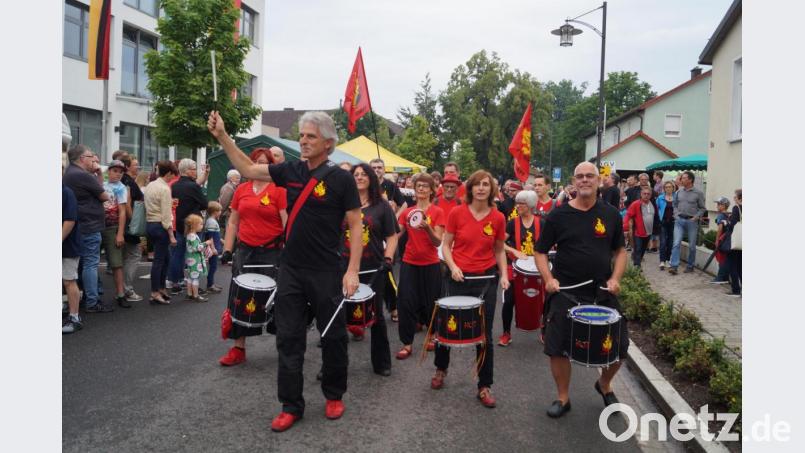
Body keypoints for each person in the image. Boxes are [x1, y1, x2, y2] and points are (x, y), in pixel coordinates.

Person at [208, 110, 363, 432]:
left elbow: (355, 225)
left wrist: (352, 271)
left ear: (328, 143)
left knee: (333, 336)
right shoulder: (291, 170)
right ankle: (291, 405)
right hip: (290, 269)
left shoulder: (341, 179)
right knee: (289, 338)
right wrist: (222, 135)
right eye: (302, 135)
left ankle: (334, 394)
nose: (303, 141)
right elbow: (248, 168)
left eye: (311, 136)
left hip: (327, 271)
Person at [534, 161, 629, 418]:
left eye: (589, 176)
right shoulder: (558, 215)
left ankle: (604, 384)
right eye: (580, 176)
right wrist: (548, 279)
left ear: (598, 181)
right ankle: (563, 397)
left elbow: (620, 251)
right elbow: (540, 251)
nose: (585, 180)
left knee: (621, 346)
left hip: (601, 291)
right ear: (574, 182)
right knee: (557, 347)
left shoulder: (611, 214)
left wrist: (615, 278)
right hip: (565, 291)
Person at [436, 170, 509, 408]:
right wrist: (453, 266)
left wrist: (504, 275)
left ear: (491, 189)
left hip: (486, 280)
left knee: (484, 334)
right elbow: (446, 245)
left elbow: (499, 250)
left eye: (485, 184)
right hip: (457, 278)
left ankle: (484, 385)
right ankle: (441, 369)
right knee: (448, 327)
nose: (481, 188)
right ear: (470, 189)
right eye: (477, 184)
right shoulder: (457, 213)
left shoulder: (498, 217)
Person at [218, 148, 288, 367]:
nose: (259, 166)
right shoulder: (242, 190)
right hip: (245, 252)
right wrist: (227, 249)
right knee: (240, 298)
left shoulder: (279, 190)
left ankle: (286, 349)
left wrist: (290, 250)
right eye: (256, 162)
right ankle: (238, 348)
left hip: (273, 252)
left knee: (277, 300)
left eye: (264, 162)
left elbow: (287, 223)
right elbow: (233, 222)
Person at [341, 163, 398, 376]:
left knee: (377, 317)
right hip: (344, 268)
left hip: (374, 269)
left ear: (371, 178)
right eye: (355, 174)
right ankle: (333, 364)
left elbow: (392, 236)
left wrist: (388, 258)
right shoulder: (341, 204)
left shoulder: (381, 206)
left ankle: (382, 363)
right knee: (338, 317)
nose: (359, 177)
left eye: (364, 174)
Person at [395, 172, 445, 360]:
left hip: (431, 264)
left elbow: (438, 241)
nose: (421, 188)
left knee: (431, 302)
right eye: (418, 186)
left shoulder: (437, 212)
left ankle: (432, 335)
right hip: (409, 262)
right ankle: (406, 343)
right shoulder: (407, 212)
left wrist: (427, 228)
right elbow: (396, 234)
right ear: (414, 190)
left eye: (425, 186)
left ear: (432, 190)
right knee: (406, 302)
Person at [63, 145, 113, 313]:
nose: (94, 160)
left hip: (78, 225)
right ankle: (92, 301)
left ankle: (83, 297)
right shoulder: (83, 175)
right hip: (90, 225)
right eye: (91, 156)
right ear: (82, 158)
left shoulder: (69, 173)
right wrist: (99, 175)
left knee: (81, 264)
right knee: (90, 263)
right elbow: (104, 196)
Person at [499, 190, 539, 346]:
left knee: (544, 299)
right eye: (517, 203)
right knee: (509, 300)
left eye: (521, 203)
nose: (518, 206)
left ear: (530, 205)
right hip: (514, 266)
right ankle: (506, 333)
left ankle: (544, 331)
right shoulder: (512, 223)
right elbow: (499, 243)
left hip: (536, 268)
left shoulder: (541, 223)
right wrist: (514, 251)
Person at [167, 159, 209, 294]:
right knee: (194, 255)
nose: (196, 171)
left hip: (180, 222)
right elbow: (204, 204)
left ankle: (175, 282)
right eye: (194, 169)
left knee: (177, 254)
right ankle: (194, 285)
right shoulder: (193, 186)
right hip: (194, 223)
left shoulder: (174, 186)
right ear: (187, 170)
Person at [144, 160, 178, 305]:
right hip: (161, 226)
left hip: (150, 224)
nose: (174, 177)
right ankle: (155, 292)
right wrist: (171, 235)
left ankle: (161, 288)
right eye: (173, 174)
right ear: (169, 173)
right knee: (159, 261)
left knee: (165, 259)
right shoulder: (165, 189)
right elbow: (166, 216)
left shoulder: (150, 185)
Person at [101, 160, 130, 308]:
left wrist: (120, 233)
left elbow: (122, 211)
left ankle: (120, 294)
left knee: (116, 263)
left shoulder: (121, 188)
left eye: (121, 172)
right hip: (97, 226)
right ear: (109, 171)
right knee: (90, 262)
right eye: (115, 171)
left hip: (112, 227)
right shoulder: (101, 184)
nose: (118, 174)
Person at [117, 153, 145, 303]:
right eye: (135, 165)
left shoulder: (121, 180)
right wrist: (133, 221)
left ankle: (122, 290)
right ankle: (127, 289)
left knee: (124, 256)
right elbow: (127, 203)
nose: (138, 167)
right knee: (134, 255)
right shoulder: (128, 182)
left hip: (121, 224)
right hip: (128, 224)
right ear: (127, 166)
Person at [668, 171, 706, 275]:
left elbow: (702, 208)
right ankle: (674, 266)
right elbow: (674, 205)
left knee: (692, 246)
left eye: (684, 178)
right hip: (679, 220)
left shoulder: (698, 193)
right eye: (682, 178)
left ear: (690, 180)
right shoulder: (678, 192)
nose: (682, 180)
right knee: (676, 243)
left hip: (691, 221)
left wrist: (696, 217)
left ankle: (690, 266)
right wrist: (676, 215)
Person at [63, 170, 83, 333]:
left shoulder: (66, 193)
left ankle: (75, 317)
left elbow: (70, 220)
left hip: (68, 245)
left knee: (69, 280)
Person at [623, 186, 659, 269]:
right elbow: (628, 215)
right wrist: (626, 228)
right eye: (644, 193)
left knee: (643, 249)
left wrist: (657, 228)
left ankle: (637, 260)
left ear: (650, 195)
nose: (646, 195)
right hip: (638, 231)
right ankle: (637, 266)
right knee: (638, 248)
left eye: (648, 194)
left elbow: (655, 217)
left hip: (648, 232)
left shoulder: (652, 204)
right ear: (641, 194)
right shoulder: (636, 204)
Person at [183, 214, 212, 302]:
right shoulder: (193, 236)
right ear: (194, 225)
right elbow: (197, 248)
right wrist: (206, 243)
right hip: (195, 260)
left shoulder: (190, 235)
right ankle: (196, 296)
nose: (202, 226)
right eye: (201, 224)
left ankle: (189, 294)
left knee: (190, 277)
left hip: (191, 259)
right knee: (195, 278)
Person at [710, 197, 731, 284]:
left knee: (721, 258)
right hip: (728, 240)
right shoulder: (728, 215)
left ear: (724, 206)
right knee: (726, 259)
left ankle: (720, 277)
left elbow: (720, 228)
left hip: (722, 240)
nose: (717, 206)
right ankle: (725, 277)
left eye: (719, 204)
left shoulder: (721, 215)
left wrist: (717, 240)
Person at [204, 201, 224, 293]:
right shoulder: (211, 222)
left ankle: (211, 283)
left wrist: (222, 241)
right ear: (215, 212)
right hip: (213, 248)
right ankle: (210, 285)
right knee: (213, 266)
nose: (220, 212)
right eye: (219, 211)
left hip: (215, 246)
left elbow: (216, 235)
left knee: (213, 266)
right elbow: (210, 237)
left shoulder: (212, 221)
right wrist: (213, 248)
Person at [725, 189, 742, 297]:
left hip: (736, 240)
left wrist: (727, 221)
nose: (734, 199)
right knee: (741, 265)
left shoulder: (737, 208)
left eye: (735, 197)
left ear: (740, 198)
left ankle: (736, 289)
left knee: (732, 265)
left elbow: (733, 224)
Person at [656, 181, 676, 270]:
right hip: (663, 222)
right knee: (663, 242)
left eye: (670, 187)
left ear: (673, 188)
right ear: (664, 188)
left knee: (670, 242)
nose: (668, 188)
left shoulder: (676, 198)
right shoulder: (660, 198)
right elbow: (656, 209)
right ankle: (662, 261)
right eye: (666, 187)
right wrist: (658, 218)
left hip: (673, 222)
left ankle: (668, 260)